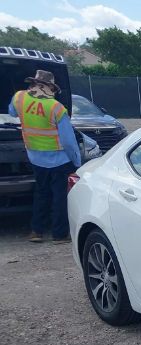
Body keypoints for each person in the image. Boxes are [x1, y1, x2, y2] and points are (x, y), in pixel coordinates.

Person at [8, 69, 81, 244]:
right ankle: (59, 234)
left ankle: (37, 231)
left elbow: (12, 113)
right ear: (50, 87)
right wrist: (77, 161)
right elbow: (68, 141)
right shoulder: (56, 107)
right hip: (59, 160)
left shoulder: (19, 98)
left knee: (41, 193)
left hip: (35, 157)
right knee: (59, 196)